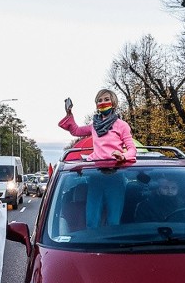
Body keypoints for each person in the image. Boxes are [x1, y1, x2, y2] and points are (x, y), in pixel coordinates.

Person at [58, 89, 137, 228]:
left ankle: (112, 245)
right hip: (96, 175)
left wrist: (122, 156)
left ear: (113, 103)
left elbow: (132, 149)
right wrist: (69, 114)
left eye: (106, 99)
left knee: (114, 220)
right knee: (92, 219)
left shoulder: (122, 125)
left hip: (116, 175)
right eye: (99, 101)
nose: (103, 103)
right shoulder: (94, 125)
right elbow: (76, 131)